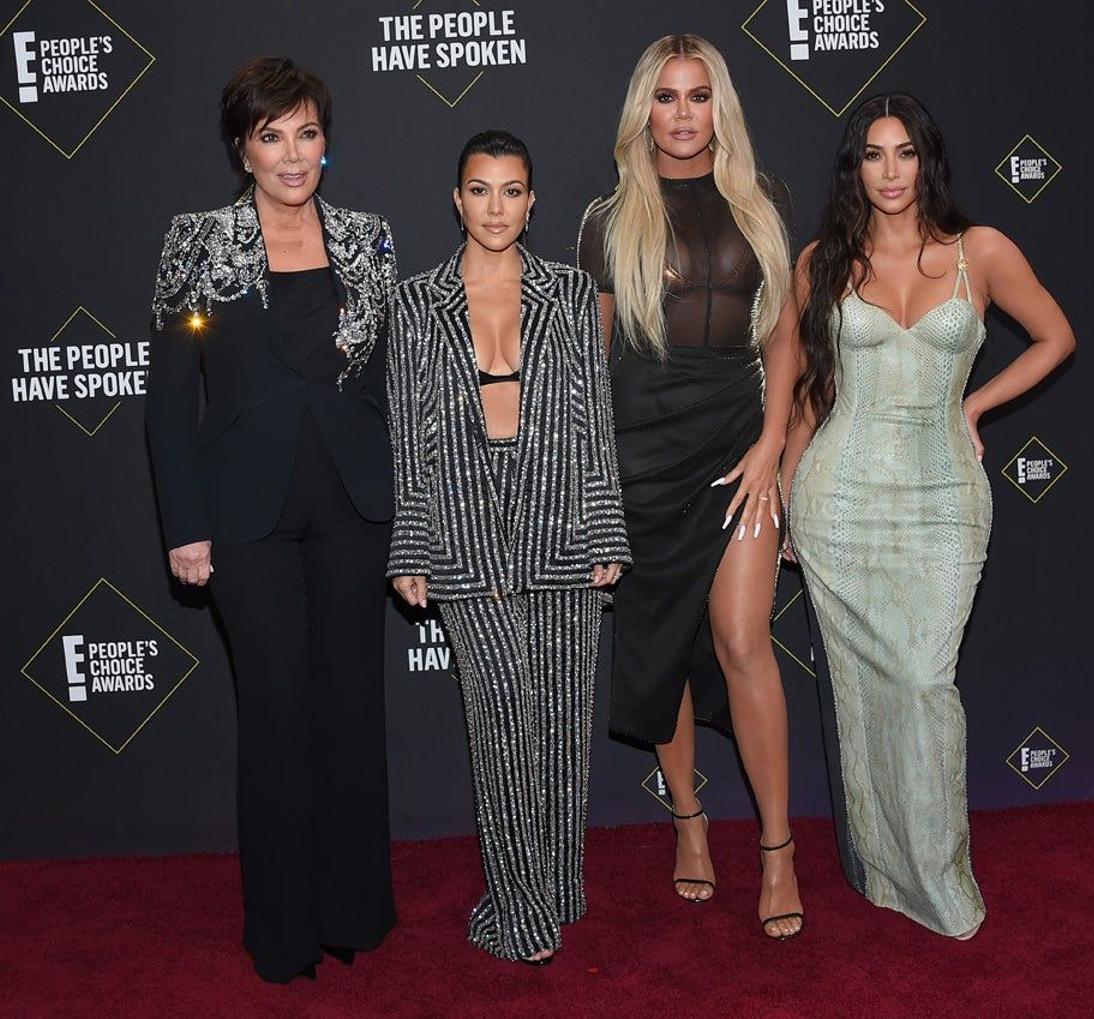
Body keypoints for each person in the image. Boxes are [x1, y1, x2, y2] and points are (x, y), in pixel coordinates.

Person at [784, 93, 1076, 939]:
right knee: (862, 687)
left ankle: (939, 877)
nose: (889, 171)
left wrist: (976, 405)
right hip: (839, 497)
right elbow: (810, 390)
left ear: (927, 161)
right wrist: (790, 491)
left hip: (945, 494)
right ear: (855, 169)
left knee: (922, 682)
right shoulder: (822, 262)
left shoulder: (978, 251)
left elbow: (1056, 335)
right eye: (872, 155)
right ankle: (882, 869)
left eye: (904, 153)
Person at [146, 57, 398, 982]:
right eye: (270, 135)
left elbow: (383, 392)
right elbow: (171, 401)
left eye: (306, 133)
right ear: (242, 148)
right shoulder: (197, 241)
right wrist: (185, 523)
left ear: (326, 142)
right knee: (277, 713)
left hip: (354, 507)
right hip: (243, 515)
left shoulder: (370, 238)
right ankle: (284, 932)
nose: (292, 154)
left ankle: (354, 911)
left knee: (351, 710)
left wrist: (405, 519)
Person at [577, 34, 806, 940]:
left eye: (698, 95)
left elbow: (784, 336)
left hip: (733, 447)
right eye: (666, 96)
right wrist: (589, 480)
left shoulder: (762, 205)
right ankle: (690, 823)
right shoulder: (607, 218)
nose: (682, 113)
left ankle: (780, 849)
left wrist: (772, 443)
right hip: (639, 457)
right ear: (645, 110)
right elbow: (593, 363)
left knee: (745, 637)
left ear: (722, 108)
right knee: (660, 643)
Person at [386, 130, 630, 965]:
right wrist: (412, 541)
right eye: (480, 190)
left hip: (561, 520)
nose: (496, 207)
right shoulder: (414, 303)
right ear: (457, 200)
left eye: (512, 190)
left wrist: (605, 524)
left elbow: (594, 421)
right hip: (463, 528)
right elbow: (408, 435)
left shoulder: (570, 292)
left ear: (534, 201)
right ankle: (521, 908)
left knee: (560, 725)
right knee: (501, 723)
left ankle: (555, 888)